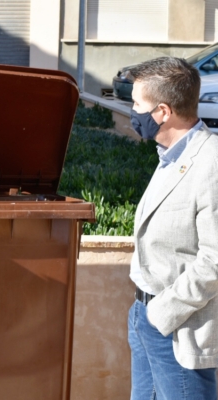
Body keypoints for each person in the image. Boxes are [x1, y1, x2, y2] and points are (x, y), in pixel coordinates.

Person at [128, 56, 218, 400]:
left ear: (163, 112)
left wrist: (161, 313)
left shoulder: (210, 161)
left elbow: (214, 259)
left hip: (178, 327)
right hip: (144, 316)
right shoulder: (170, 156)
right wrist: (142, 314)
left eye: (137, 104)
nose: (133, 111)